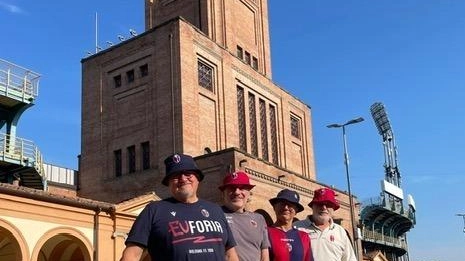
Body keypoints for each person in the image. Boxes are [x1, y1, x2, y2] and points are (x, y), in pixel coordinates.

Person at [120, 153, 239, 261]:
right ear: (169, 183)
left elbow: (230, 255)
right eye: (175, 176)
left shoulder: (215, 210)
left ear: (198, 178)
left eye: (188, 174)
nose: (182, 179)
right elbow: (132, 255)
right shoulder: (153, 210)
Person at [293, 188, 356, 261]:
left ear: (333, 208)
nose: (324, 207)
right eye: (319, 204)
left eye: (328, 204)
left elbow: (350, 259)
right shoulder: (296, 228)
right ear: (312, 206)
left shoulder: (340, 232)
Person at [219, 171, 270, 261]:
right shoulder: (215, 215)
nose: (237, 192)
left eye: (242, 188)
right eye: (231, 188)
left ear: (249, 193)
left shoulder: (259, 219)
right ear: (223, 194)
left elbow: (264, 253)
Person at [267, 189, 313, 261]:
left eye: (290, 204)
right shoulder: (264, 233)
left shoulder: (304, 237)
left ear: (296, 211)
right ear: (274, 207)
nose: (286, 207)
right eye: (282, 203)